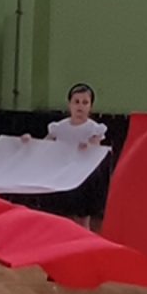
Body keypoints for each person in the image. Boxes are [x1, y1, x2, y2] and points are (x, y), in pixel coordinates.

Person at [44, 83, 110, 230]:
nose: (80, 106)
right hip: (62, 176)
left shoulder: (94, 128)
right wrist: (28, 142)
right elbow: (44, 145)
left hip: (84, 179)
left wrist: (89, 146)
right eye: (76, 102)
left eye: (85, 103)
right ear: (70, 104)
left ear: (90, 106)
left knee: (83, 218)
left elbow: (96, 147)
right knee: (64, 218)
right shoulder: (59, 127)